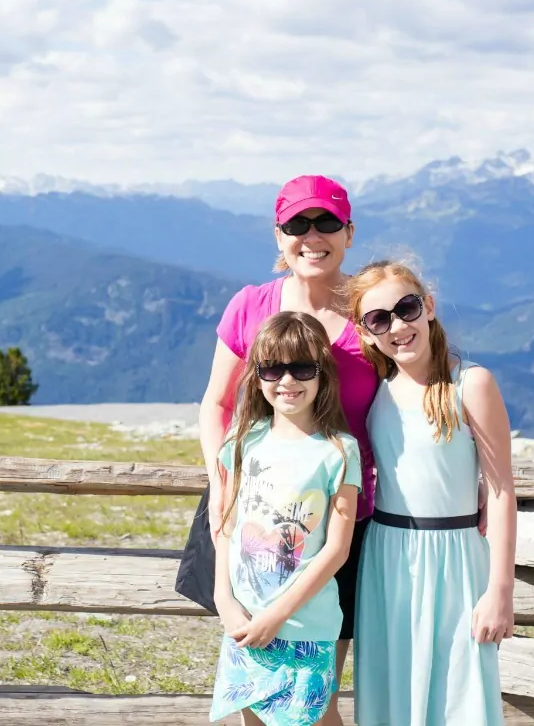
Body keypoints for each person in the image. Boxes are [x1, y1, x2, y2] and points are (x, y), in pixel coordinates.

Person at [175, 174, 379, 720]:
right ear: (278, 235)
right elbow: (216, 404)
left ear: (349, 232)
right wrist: (224, 486)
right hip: (251, 507)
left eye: (327, 222)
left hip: (338, 512)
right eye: (297, 224)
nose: (312, 236)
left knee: (315, 701)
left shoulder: (374, 312)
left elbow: (420, 383)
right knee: (255, 691)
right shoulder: (250, 306)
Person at [347, 259, 517, 726]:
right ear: (365, 331)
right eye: (379, 319)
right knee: (391, 693)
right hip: (387, 559)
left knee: (461, 695)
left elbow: (501, 491)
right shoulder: (376, 390)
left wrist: (500, 590)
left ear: (430, 307)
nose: (398, 326)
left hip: (458, 560)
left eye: (407, 308)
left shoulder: (471, 384)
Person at [208, 311, 361, 726]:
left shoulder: (339, 451)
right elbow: (227, 524)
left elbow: (336, 548)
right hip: (244, 616)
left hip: (305, 623)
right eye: (273, 368)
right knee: (252, 718)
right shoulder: (244, 439)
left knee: (315, 717)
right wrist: (225, 599)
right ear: (257, 375)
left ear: (322, 374)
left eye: (302, 368)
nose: (287, 381)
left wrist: (277, 615)